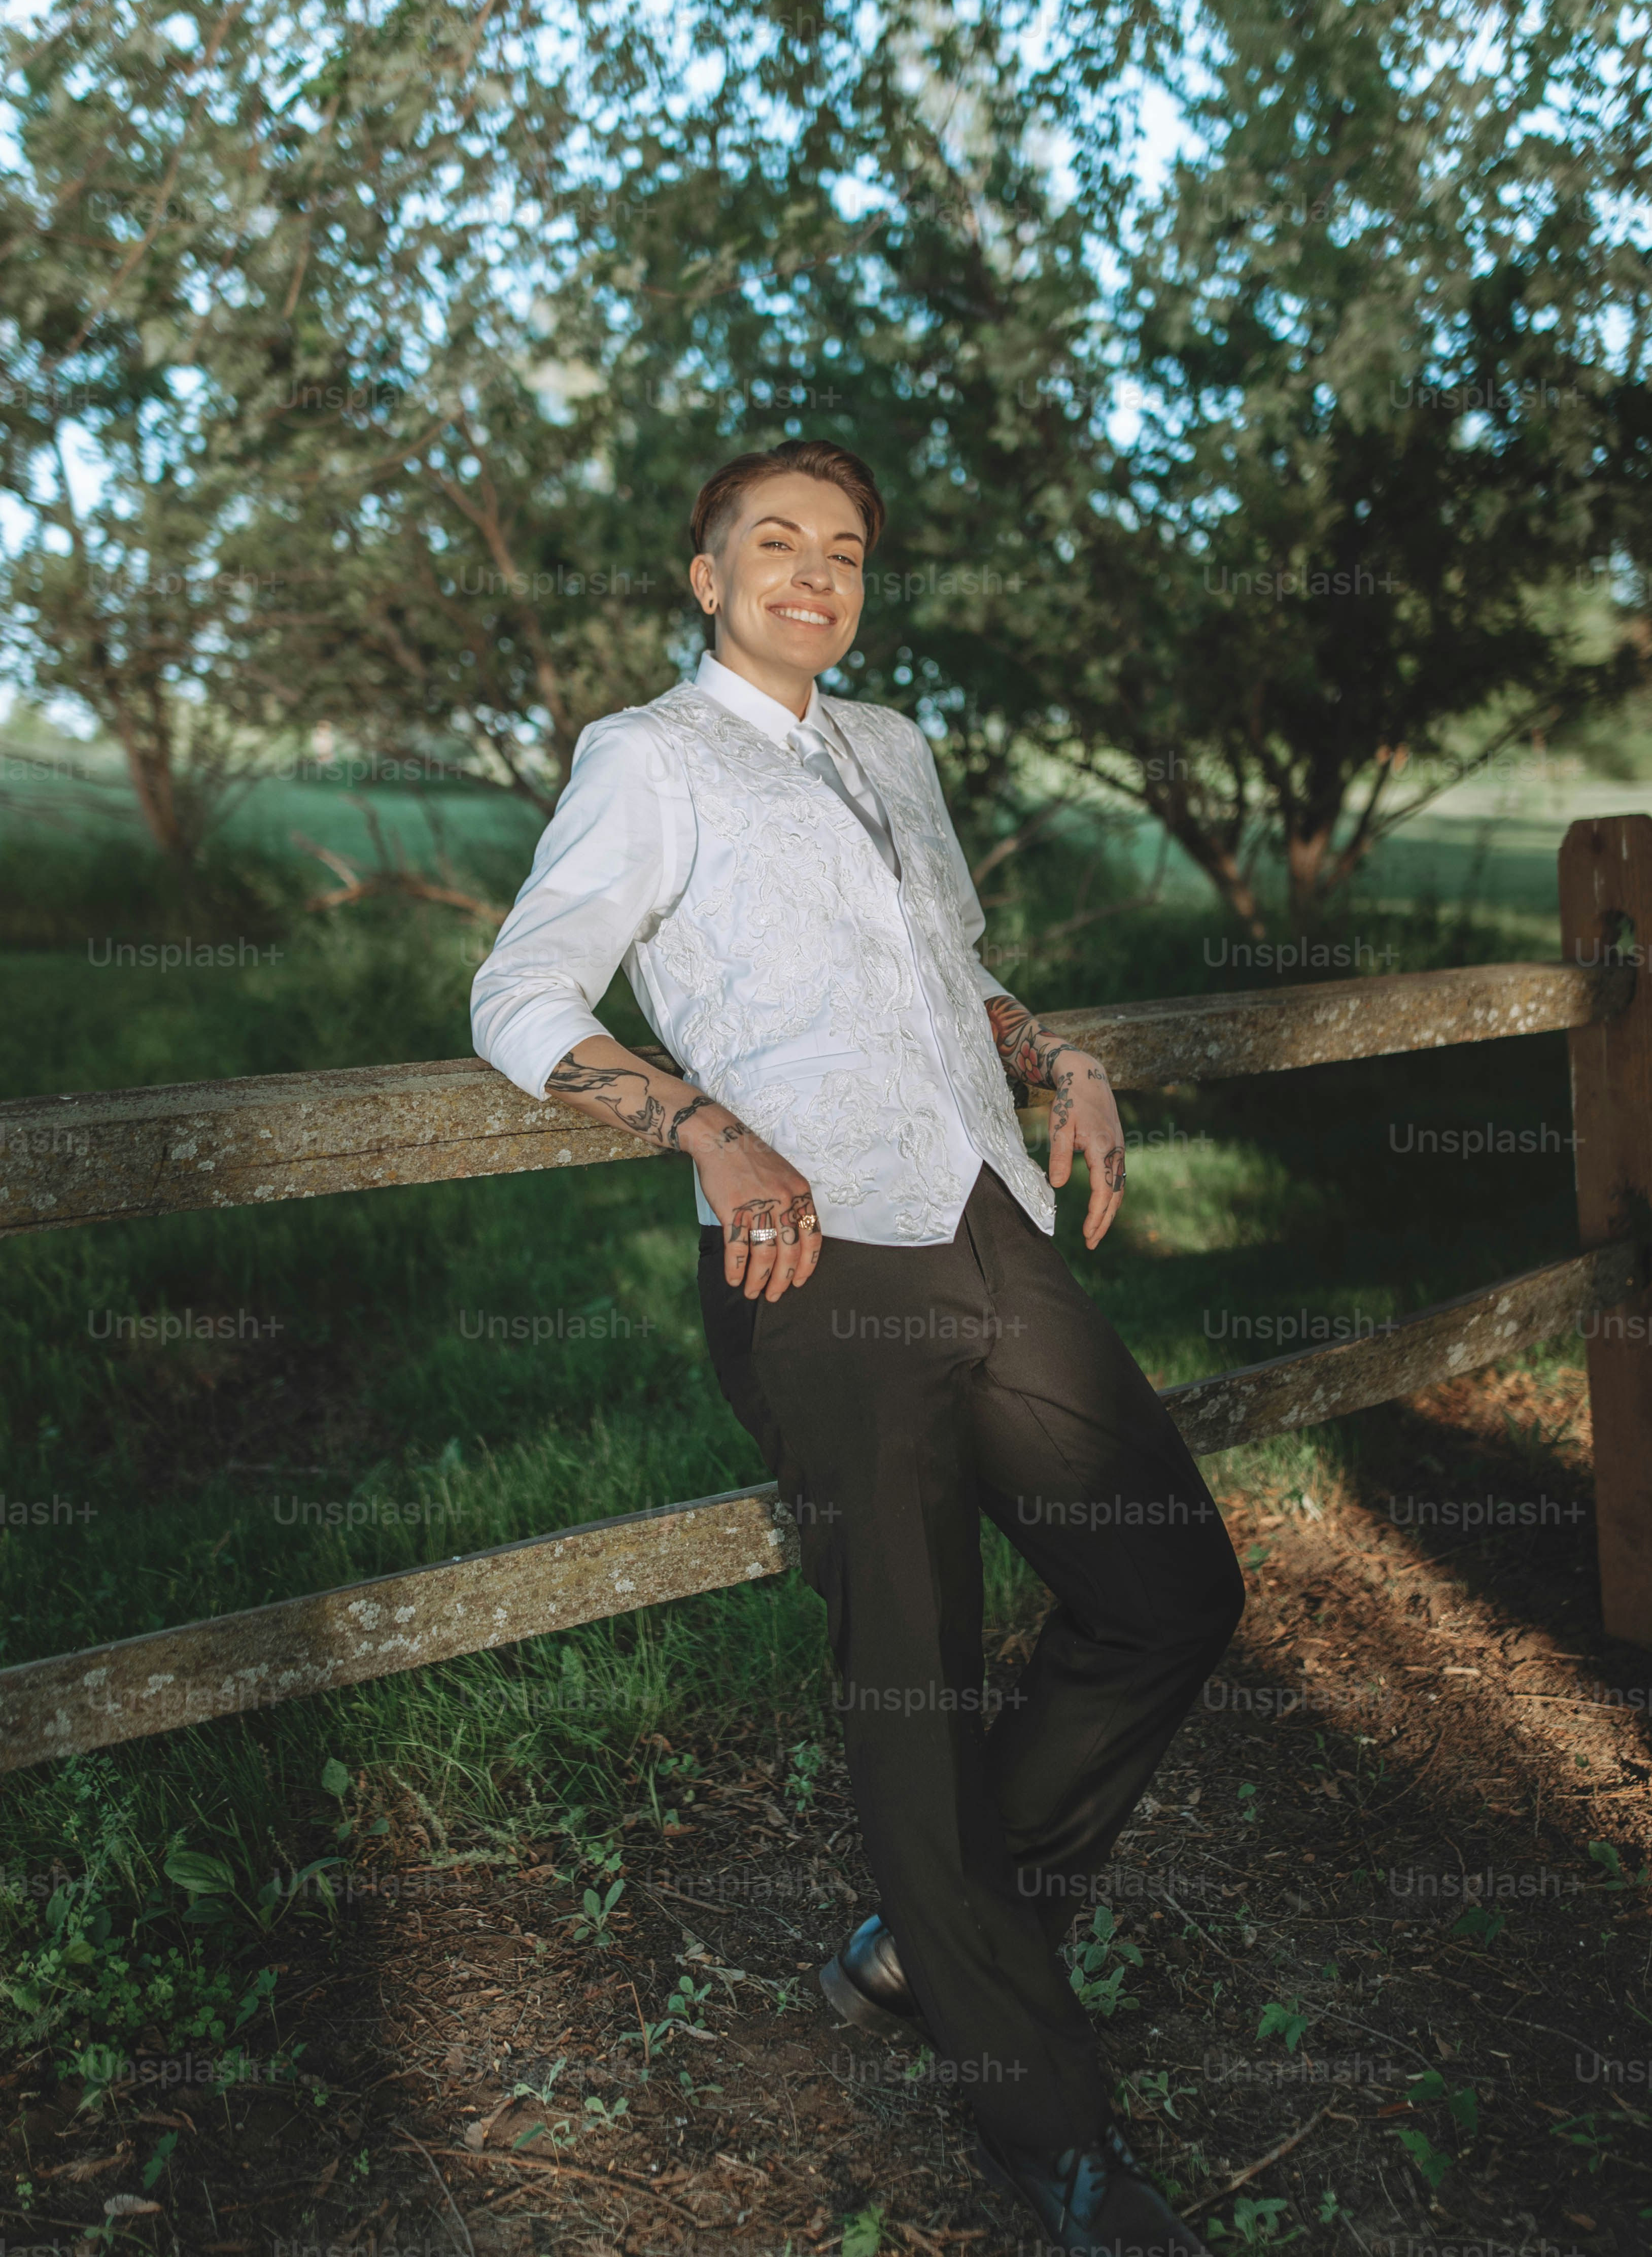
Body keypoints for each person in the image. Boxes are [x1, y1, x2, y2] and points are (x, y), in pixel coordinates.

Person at [471, 437, 1245, 2256]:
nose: (813, 573)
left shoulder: (892, 749)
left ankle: (931, 1941)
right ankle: (1047, 2126)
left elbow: (939, 965)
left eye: (844, 551)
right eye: (774, 545)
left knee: (1170, 1587)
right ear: (706, 573)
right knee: (914, 1684)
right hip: (813, 1252)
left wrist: (1053, 1053)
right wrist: (700, 1125)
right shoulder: (646, 762)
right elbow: (522, 987)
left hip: (986, 1211)